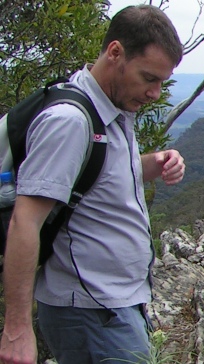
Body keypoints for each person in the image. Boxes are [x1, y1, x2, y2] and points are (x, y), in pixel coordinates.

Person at [0, 5, 184, 364]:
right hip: (90, 311)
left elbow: (98, 175)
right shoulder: (69, 121)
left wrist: (154, 163)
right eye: (149, 78)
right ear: (115, 52)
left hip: (114, 305)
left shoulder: (112, 110)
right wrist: (17, 329)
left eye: (161, 81)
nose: (155, 93)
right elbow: (26, 221)